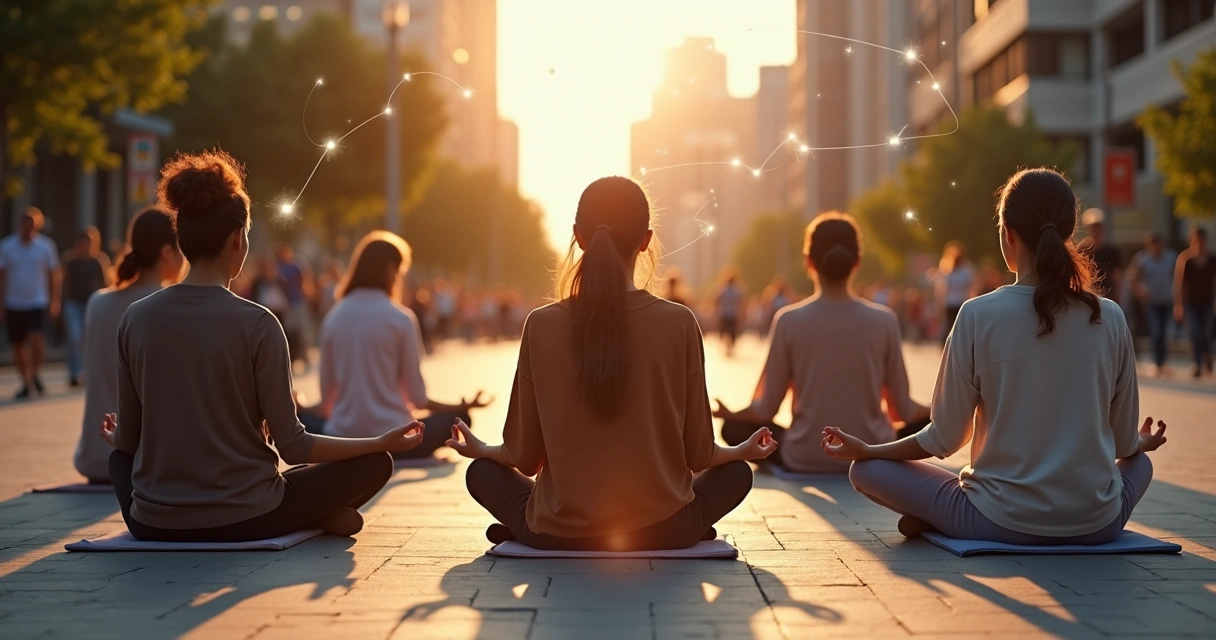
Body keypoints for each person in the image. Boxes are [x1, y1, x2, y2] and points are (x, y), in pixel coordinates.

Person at [824, 168, 1165, 545]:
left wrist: (869, 450)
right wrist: (1139, 444)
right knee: (1142, 464)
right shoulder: (1111, 316)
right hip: (1097, 524)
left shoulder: (976, 315)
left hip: (994, 520)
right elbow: (1122, 445)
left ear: (1008, 234)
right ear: (1069, 234)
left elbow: (943, 439)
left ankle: (934, 517)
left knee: (865, 470)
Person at [101, 150, 424, 542]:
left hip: (153, 522)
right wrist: (379, 441)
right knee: (374, 463)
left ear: (181, 239)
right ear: (238, 240)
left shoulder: (135, 318)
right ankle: (319, 514)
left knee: (117, 457)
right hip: (249, 516)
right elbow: (295, 446)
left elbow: (129, 443)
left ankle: (317, 514)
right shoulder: (259, 323)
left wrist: (115, 438)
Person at [446, 176, 778, 551]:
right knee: (735, 475)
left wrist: (483, 450)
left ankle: (530, 532)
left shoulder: (540, 324)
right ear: (646, 240)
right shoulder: (679, 322)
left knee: (481, 474)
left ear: (578, 236)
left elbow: (522, 457)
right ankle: (669, 531)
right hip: (665, 527)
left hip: (558, 530)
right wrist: (741, 452)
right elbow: (699, 455)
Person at [714, 213, 930, 474]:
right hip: (873, 452)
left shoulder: (788, 321)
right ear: (857, 262)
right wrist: (940, 410)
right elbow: (903, 411)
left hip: (804, 455)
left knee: (734, 429)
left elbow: (765, 409)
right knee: (932, 426)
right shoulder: (884, 320)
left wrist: (730, 414)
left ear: (809, 261)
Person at [298, 231, 489, 460]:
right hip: (399, 441)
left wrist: (297, 406)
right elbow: (418, 398)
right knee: (460, 420)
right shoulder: (401, 318)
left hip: (343, 440)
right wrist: (461, 405)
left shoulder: (333, 318)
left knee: (298, 425)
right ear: (391, 270)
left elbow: (324, 405)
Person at [73, 208, 184, 484]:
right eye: (182, 248)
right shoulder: (170, 305)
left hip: (93, 458)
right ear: (167, 252)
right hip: (143, 464)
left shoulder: (97, 302)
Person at [0, 208, 61, 399]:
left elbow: (54, 276)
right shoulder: (7, 246)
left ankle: (35, 374)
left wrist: (54, 301)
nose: (27, 229)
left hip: (37, 300)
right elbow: (2, 276)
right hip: (13, 301)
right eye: (24, 225)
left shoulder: (46, 247)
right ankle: (25, 382)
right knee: (17, 344)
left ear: (37, 226)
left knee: (36, 338)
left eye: (31, 225)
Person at [60, 227, 112, 387]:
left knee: (89, 338)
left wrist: (106, 304)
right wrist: (61, 304)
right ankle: (74, 372)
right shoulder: (70, 261)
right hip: (73, 303)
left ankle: (88, 372)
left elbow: (105, 284)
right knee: (75, 336)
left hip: (92, 303)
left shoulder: (98, 261)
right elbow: (65, 283)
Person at [1128, 233, 1177, 376]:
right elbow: (1133, 278)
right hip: (1151, 302)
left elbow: (1177, 276)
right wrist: (1140, 291)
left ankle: (1163, 363)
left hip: (1167, 300)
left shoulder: (1171, 257)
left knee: (1165, 332)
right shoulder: (1142, 259)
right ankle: (1157, 363)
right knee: (1156, 332)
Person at [1175, 227, 1216, 379]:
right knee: (1195, 333)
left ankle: (1207, 357)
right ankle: (1197, 364)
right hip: (1191, 303)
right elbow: (1180, 284)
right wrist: (1178, 304)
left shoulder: (1212, 259)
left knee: (1206, 334)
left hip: (1207, 302)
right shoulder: (1186, 259)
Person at [932, 241, 976, 342]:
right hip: (950, 303)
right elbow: (941, 288)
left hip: (962, 303)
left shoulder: (967, 269)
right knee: (949, 328)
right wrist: (939, 304)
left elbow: (971, 288)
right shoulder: (946, 267)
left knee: (961, 328)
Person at [1079, 208, 1123, 303]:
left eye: (1099, 228)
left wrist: (1118, 295)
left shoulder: (1111, 252)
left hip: (1108, 294)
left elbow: (1117, 275)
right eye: (1094, 228)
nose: (1096, 231)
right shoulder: (1083, 250)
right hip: (1088, 294)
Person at [715, 270, 744, 356]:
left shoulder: (722, 289)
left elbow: (716, 301)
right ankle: (730, 345)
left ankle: (728, 345)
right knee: (732, 331)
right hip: (733, 314)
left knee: (725, 330)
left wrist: (716, 312)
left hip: (724, 313)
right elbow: (741, 303)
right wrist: (742, 313)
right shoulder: (737, 290)